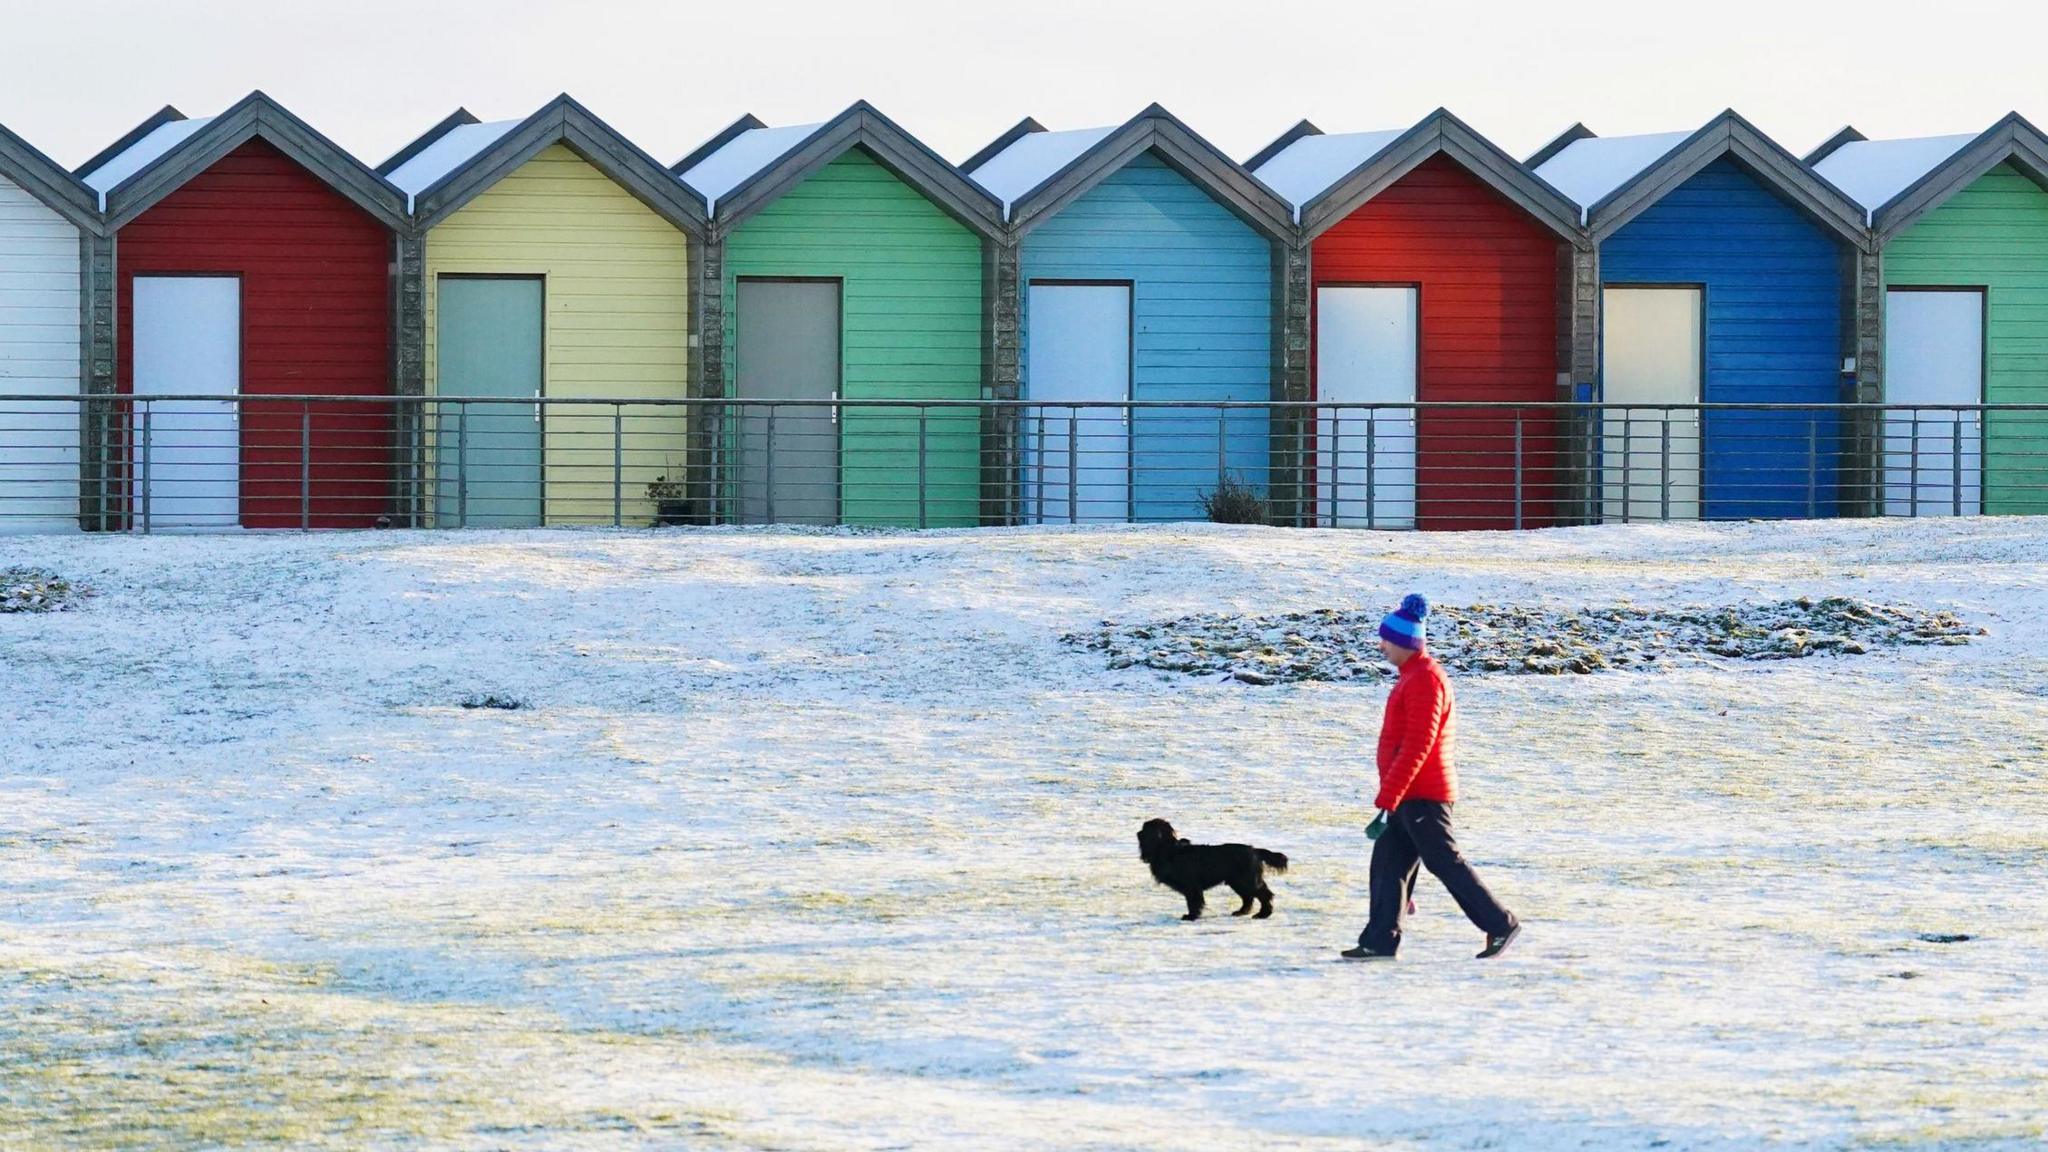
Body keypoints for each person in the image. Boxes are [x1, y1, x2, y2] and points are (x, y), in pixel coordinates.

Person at [1341, 594, 1521, 961]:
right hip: (1408, 793)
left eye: (1387, 640)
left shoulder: (1425, 680)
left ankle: (1500, 924)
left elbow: (1418, 745)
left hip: (1423, 793)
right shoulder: (1412, 676)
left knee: (1444, 861)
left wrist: (1390, 796)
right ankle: (1379, 940)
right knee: (1388, 866)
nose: (1381, 647)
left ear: (1406, 643)